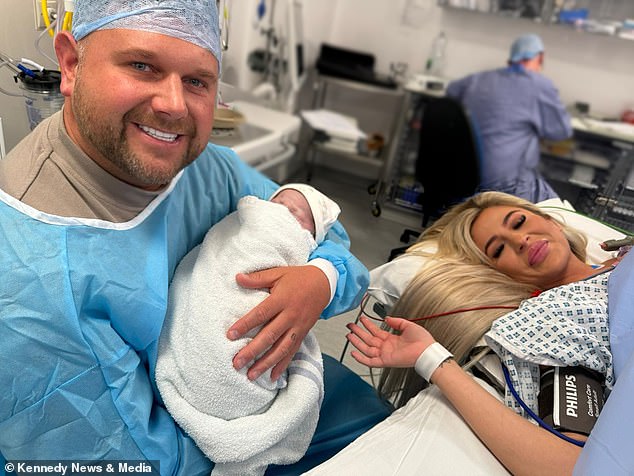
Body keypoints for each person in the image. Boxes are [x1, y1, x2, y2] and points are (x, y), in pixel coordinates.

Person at [0, 1, 386, 473]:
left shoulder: (205, 168)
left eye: (197, 81)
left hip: (251, 392)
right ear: (72, 64)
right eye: (142, 66)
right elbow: (126, 459)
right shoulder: (32, 278)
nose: (173, 105)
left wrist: (321, 279)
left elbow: (319, 226)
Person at [347, 191, 627, 475]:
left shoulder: (621, 254)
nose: (520, 241)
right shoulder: (555, 318)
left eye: (518, 222)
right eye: (498, 250)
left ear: (550, 220)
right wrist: (432, 361)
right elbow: (567, 467)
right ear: (498, 273)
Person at [156, 184, 340, 475]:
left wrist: (324, 275)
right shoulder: (250, 211)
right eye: (279, 203)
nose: (284, 211)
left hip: (242, 371)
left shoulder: (232, 178)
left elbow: (342, 254)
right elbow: (214, 259)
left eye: (296, 213)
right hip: (200, 338)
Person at [446, 33, 572, 203]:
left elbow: (450, 93)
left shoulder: (477, 79)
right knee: (557, 211)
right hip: (504, 186)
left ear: (511, 59)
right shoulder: (539, 85)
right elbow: (560, 132)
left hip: (458, 176)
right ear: (540, 58)